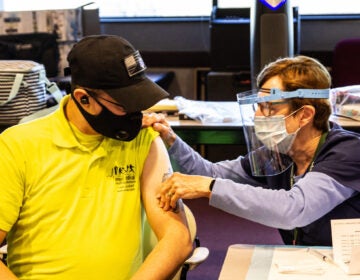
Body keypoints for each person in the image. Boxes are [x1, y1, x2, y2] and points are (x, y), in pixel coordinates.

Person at [0, 35, 192, 280]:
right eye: (125, 105)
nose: (136, 114)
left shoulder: (143, 140)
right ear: (83, 99)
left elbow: (177, 238)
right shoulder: (18, 145)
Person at [143, 55, 360, 246]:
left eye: (270, 107)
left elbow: (294, 209)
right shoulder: (280, 154)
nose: (258, 115)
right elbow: (211, 174)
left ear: (304, 115)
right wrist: (171, 139)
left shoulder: (346, 153)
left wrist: (209, 187)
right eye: (258, 106)